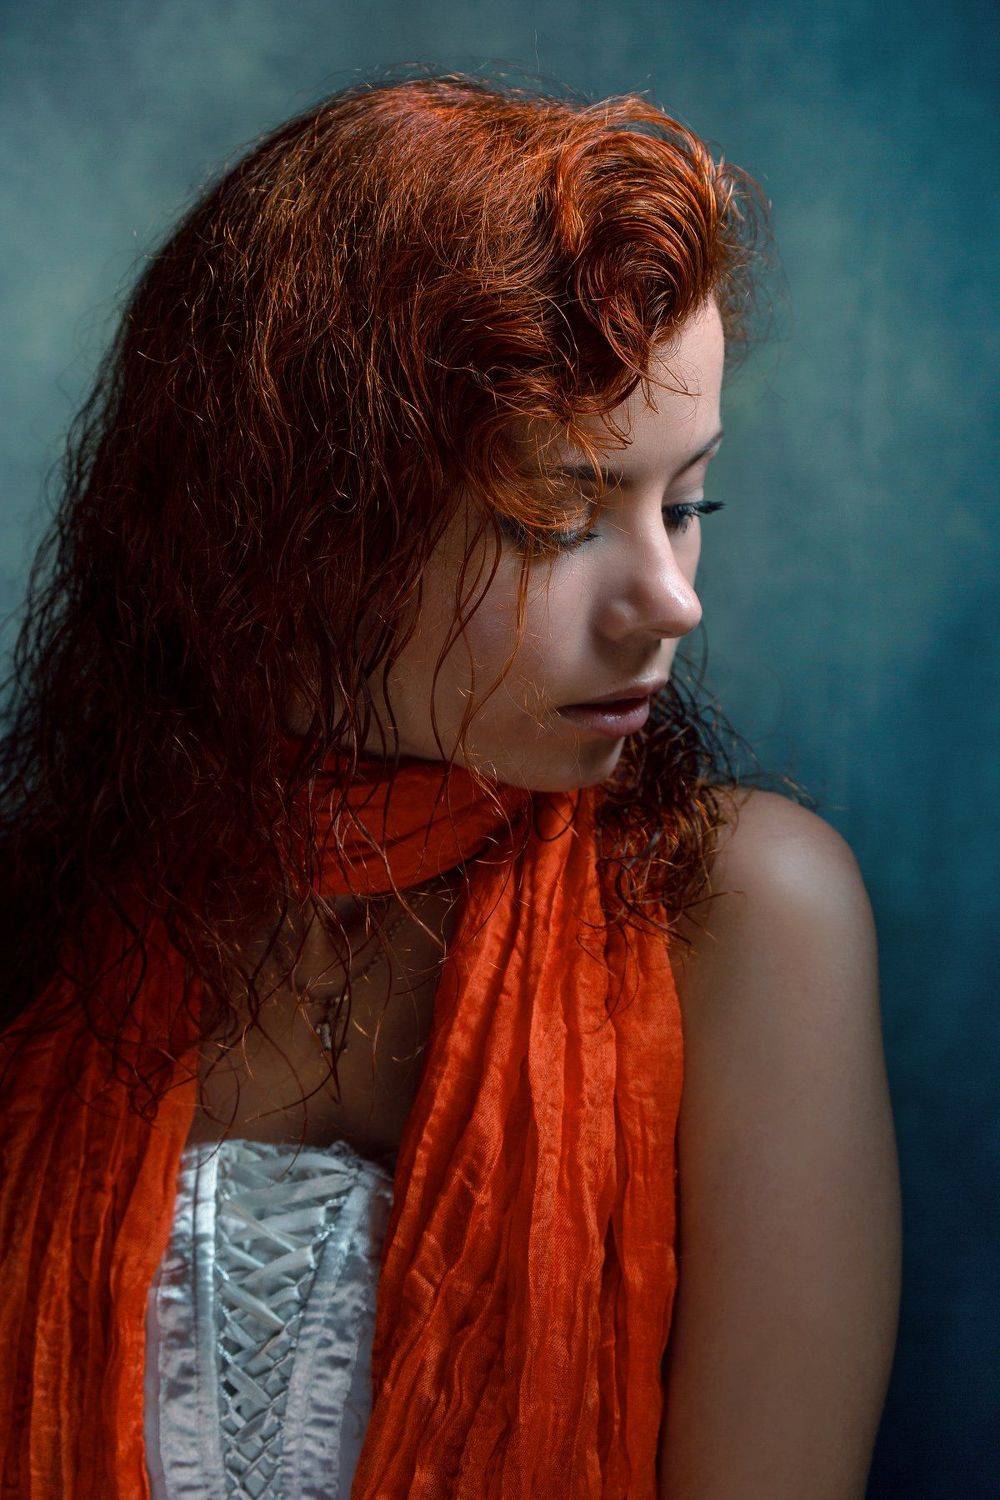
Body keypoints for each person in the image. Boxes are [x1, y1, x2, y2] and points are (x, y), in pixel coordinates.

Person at [0, 70, 901, 1498]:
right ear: (298, 524)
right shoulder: (46, 915)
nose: (672, 601)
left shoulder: (744, 915)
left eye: (688, 504)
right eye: (557, 520)